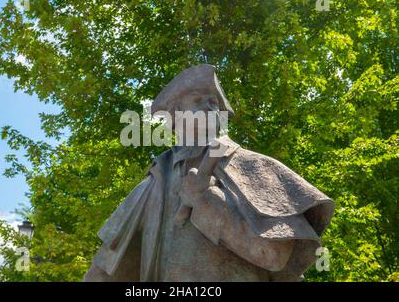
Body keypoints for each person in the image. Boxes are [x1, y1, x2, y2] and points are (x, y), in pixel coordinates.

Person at [84, 64, 334, 281]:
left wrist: (206, 201)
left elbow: (274, 255)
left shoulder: (256, 168)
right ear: (174, 116)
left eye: (214, 102)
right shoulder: (150, 187)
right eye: (198, 100)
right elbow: (107, 270)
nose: (210, 107)